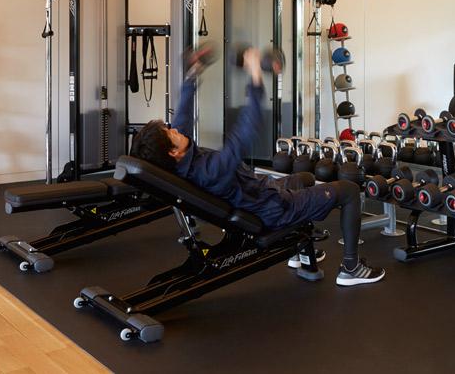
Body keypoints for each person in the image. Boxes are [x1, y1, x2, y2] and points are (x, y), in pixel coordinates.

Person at [130, 44, 384, 286]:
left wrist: (193, 73)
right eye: (170, 132)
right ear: (173, 151)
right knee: (349, 190)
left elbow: (183, 118)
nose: (174, 129)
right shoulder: (210, 171)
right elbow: (245, 133)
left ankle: (299, 251)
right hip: (271, 208)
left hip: (258, 193)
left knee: (304, 178)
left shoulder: (178, 161)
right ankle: (351, 269)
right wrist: (254, 76)